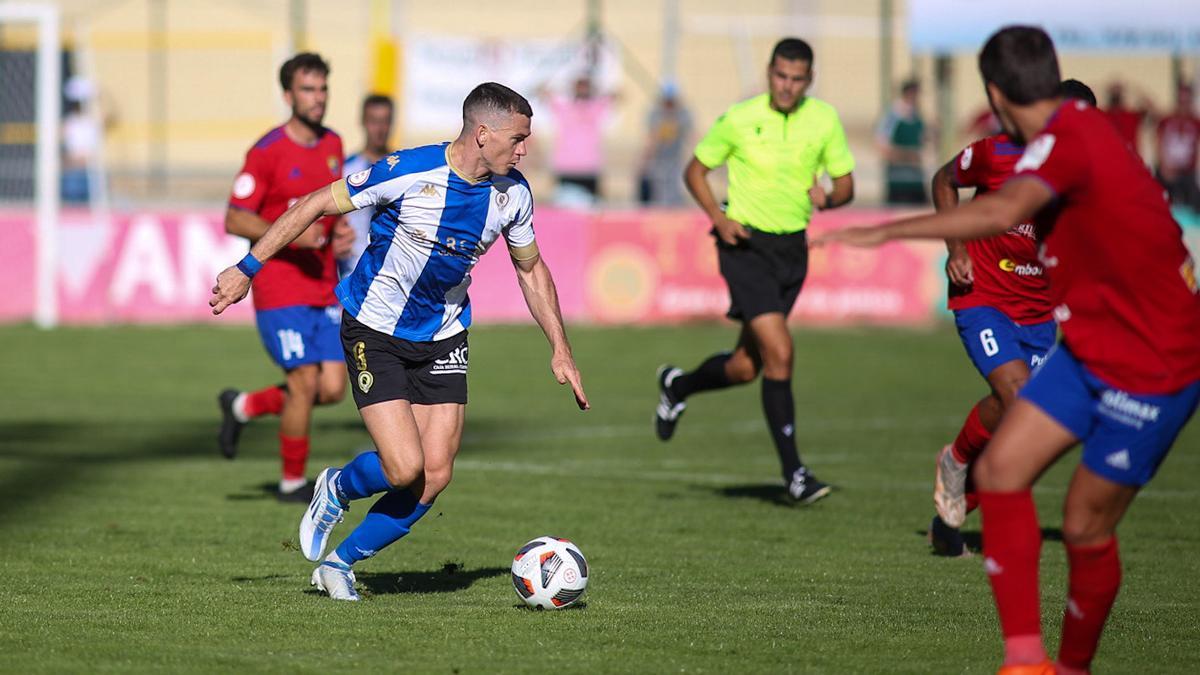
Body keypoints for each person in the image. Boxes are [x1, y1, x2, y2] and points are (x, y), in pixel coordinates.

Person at [814, 27, 1200, 674]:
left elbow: (1002, 211)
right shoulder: (1061, 137)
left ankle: (1070, 667)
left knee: (1083, 525)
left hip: (1155, 359)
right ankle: (1024, 662)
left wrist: (879, 233)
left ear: (995, 94)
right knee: (1001, 472)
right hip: (1090, 342)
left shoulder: (1073, 141)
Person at [209, 82, 590, 601]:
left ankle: (340, 564)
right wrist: (247, 268)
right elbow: (317, 203)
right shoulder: (410, 170)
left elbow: (531, 270)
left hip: (444, 336)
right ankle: (337, 487)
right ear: (483, 133)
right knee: (404, 468)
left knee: (434, 475)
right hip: (375, 328)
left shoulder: (514, 194)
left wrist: (560, 348)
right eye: (518, 138)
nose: (524, 150)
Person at [656, 37, 855, 505]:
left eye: (797, 79)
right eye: (781, 76)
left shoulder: (824, 119)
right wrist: (718, 218)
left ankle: (678, 385)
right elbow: (695, 171)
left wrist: (830, 197)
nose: (787, 86)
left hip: (792, 251)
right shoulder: (740, 118)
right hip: (744, 246)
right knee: (781, 353)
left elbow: (846, 184)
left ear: (809, 80)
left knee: (747, 367)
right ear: (769, 73)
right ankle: (795, 474)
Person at [927, 79, 1097, 558]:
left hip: (1039, 314)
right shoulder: (998, 152)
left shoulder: (1088, 179)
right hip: (981, 295)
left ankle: (948, 521)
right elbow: (943, 180)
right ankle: (956, 458)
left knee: (1022, 434)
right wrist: (956, 248)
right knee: (1017, 395)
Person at [217, 53, 354, 501]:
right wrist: (292, 236)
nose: (318, 98)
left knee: (331, 388)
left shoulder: (333, 144)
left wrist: (339, 233)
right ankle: (292, 482)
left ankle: (242, 406)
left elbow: (329, 212)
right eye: (308, 89)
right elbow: (236, 217)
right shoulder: (267, 151)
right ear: (288, 95)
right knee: (303, 382)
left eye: (322, 88)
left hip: (324, 285)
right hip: (279, 288)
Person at [340, 93, 395, 277]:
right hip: (353, 273)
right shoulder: (346, 170)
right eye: (374, 121)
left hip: (392, 275)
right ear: (363, 122)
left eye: (385, 121)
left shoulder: (403, 170)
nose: (380, 129)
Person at [547, 75, 612, 205]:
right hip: (566, 166)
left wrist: (594, 90)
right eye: (580, 86)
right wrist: (569, 89)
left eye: (585, 87)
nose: (582, 90)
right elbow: (545, 92)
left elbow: (616, 95)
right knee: (563, 206)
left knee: (591, 207)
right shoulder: (565, 107)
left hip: (589, 166)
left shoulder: (595, 107)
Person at [639, 82, 692, 206]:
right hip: (658, 161)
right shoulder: (656, 114)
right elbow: (651, 139)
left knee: (675, 192)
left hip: (675, 160)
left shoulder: (682, 114)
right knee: (658, 194)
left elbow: (691, 136)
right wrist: (644, 161)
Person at [877, 78, 927, 204]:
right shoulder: (893, 115)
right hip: (899, 175)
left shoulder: (916, 114)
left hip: (915, 175)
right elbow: (882, 144)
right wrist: (906, 155)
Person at [1154, 84, 1200, 211]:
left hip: (1187, 173)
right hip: (1167, 172)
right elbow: (1159, 142)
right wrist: (1164, 166)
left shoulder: (1195, 122)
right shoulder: (1167, 120)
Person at [1102, 82, 1151, 159]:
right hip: (1111, 156)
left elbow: (1148, 107)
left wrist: (1134, 89)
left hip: (1128, 157)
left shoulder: (1130, 115)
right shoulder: (1103, 115)